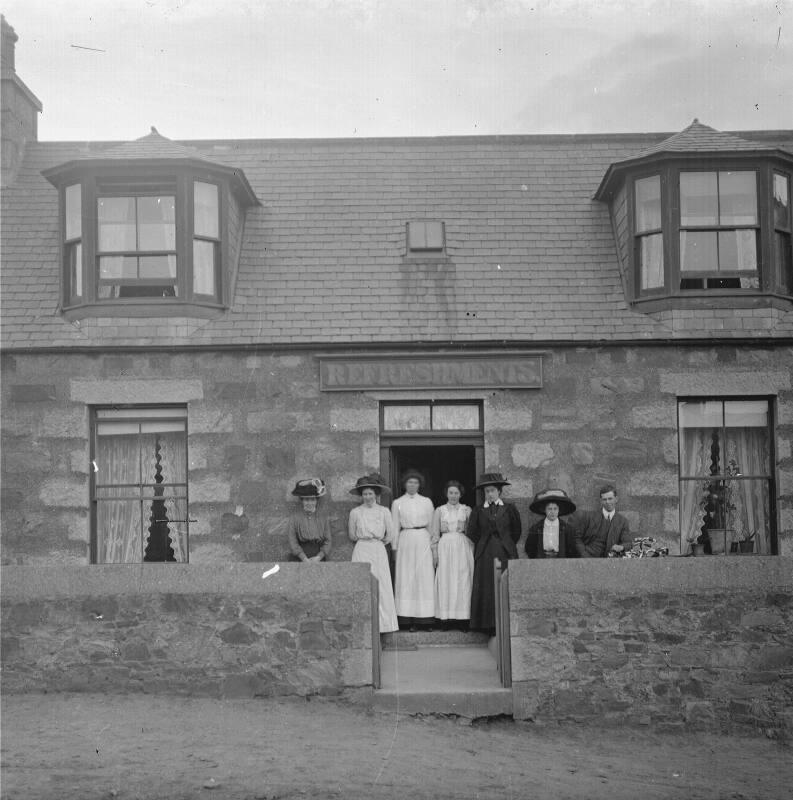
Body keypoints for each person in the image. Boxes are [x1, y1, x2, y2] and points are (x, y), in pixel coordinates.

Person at [465, 473, 521, 634]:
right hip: (485, 553)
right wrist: (484, 541)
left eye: (492, 491)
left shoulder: (509, 509)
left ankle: (505, 623)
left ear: (499, 492)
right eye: (487, 491)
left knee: (503, 584)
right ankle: (487, 625)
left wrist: (506, 543)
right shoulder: (478, 510)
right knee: (486, 586)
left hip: (505, 551)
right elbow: (472, 532)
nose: (489, 494)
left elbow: (516, 531)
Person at [348, 475, 398, 634]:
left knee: (381, 583)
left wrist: (377, 541)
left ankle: (383, 625)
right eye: (364, 494)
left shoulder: (384, 511)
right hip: (362, 548)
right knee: (362, 581)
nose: (368, 497)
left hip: (378, 548)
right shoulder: (355, 512)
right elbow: (352, 535)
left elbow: (389, 535)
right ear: (361, 496)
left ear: (376, 495)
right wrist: (364, 539)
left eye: (370, 494)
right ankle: (362, 625)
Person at [391, 470, 435, 629]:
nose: (412, 485)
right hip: (406, 541)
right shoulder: (397, 502)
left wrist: (433, 547)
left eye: (415, 482)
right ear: (404, 484)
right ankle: (408, 619)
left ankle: (426, 619)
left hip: (423, 539)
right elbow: (395, 527)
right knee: (407, 577)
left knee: (424, 577)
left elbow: (432, 526)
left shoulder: (427, 502)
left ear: (419, 484)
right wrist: (395, 549)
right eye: (410, 482)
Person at [432, 480, 473, 627]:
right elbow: (435, 535)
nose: (453, 496)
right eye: (451, 493)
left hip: (462, 546)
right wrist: (435, 554)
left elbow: (472, 532)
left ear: (460, 494)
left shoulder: (466, 510)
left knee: (462, 580)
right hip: (445, 546)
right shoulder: (439, 510)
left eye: (456, 493)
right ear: (446, 494)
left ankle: (462, 619)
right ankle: (445, 619)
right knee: (446, 580)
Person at [574, 483, 633, 558]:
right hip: (588, 558)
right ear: (601, 501)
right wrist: (584, 554)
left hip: (609, 562)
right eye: (604, 499)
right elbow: (577, 538)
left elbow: (628, 542)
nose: (607, 502)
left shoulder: (622, 521)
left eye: (610, 498)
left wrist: (621, 547)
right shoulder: (589, 517)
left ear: (616, 499)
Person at [287, 478, 332, 562]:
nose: (310, 503)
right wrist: (304, 558)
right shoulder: (294, 518)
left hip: (318, 557)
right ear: (302, 500)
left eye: (312, 500)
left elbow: (328, 541)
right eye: (307, 500)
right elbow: (292, 541)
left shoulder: (323, 517)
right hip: (299, 557)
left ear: (316, 500)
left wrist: (319, 557)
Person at [525, 488, 578, 559]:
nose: (552, 512)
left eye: (555, 509)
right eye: (549, 509)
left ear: (559, 510)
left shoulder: (566, 528)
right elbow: (529, 548)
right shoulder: (536, 528)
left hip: (561, 560)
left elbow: (572, 549)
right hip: (542, 560)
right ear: (545, 510)